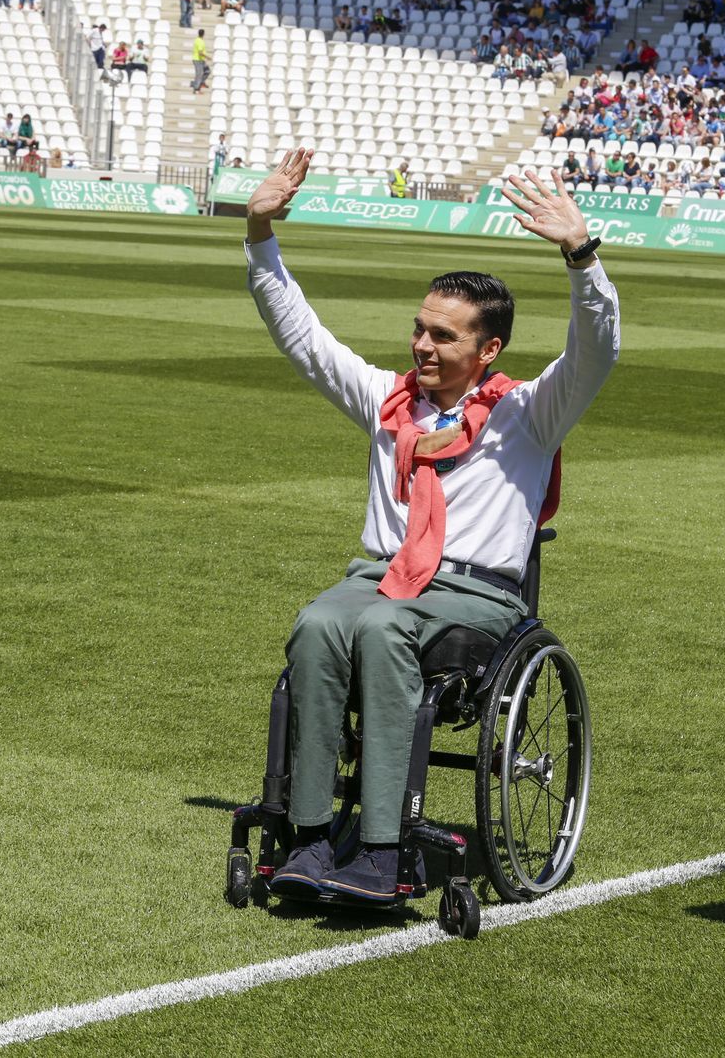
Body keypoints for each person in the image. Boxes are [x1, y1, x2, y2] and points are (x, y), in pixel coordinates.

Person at [243, 150, 620, 902]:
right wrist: (258, 233)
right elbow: (303, 337)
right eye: (420, 330)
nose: (422, 346)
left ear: (488, 351)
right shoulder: (389, 401)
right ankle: (312, 837)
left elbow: (595, 352)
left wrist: (582, 259)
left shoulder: (526, 414)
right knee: (318, 624)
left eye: (443, 337)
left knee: (384, 630)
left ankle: (383, 851)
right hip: (380, 577)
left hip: (476, 596)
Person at [190, 28, 208, 93]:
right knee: (199, 74)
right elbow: (200, 52)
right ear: (203, 34)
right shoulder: (200, 41)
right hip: (198, 60)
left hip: (200, 60)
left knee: (207, 71)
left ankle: (201, 82)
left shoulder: (197, 40)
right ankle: (196, 89)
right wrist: (208, 57)